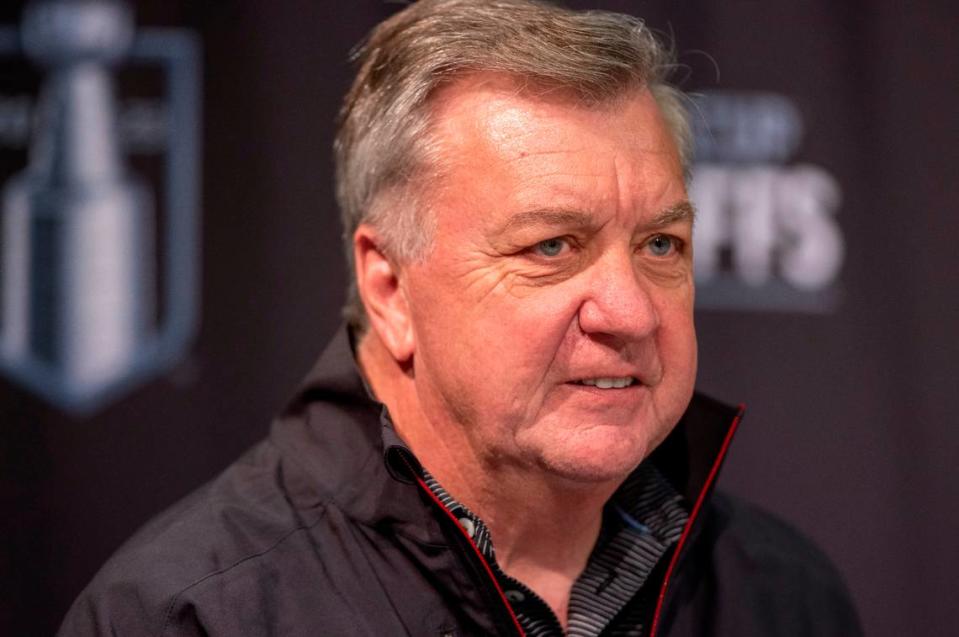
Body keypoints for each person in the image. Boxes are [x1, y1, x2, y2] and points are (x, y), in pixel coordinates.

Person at [59, 1, 862, 635]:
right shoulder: (189, 616)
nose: (630, 311)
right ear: (388, 286)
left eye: (660, 242)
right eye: (551, 245)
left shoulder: (782, 592)